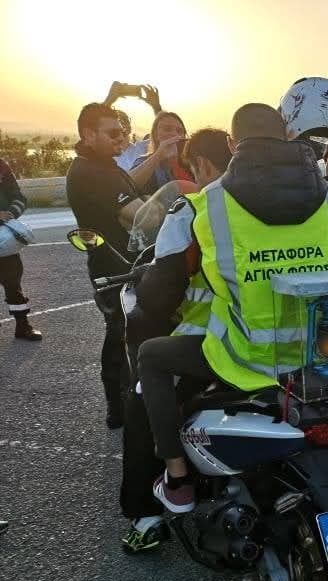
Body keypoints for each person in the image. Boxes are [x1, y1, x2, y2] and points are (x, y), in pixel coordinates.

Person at [136, 103, 328, 513]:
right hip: (321, 359)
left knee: (150, 356)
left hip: (243, 357)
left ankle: (178, 479)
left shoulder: (205, 205)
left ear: (233, 143)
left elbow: (158, 295)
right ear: (287, 136)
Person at [117, 128, 231, 552]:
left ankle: (148, 513)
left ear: (200, 164)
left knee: (141, 400)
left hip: (209, 343)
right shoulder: (278, 205)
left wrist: (146, 284)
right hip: (284, 343)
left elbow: (159, 295)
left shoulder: (195, 209)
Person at [66, 103, 145, 428]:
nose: (121, 138)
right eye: (112, 132)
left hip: (120, 261)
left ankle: (124, 403)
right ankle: (120, 406)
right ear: (89, 134)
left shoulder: (102, 167)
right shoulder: (92, 173)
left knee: (123, 330)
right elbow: (140, 215)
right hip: (115, 265)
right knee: (120, 332)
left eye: (122, 131)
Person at [0, 158, 42, 340]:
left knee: (13, 283)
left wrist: (11, 213)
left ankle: (23, 326)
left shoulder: (1, 165)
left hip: (4, 239)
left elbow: (19, 197)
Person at [129, 111, 193, 195]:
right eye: (167, 129)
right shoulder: (144, 162)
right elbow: (127, 186)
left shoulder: (190, 164)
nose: (174, 134)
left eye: (179, 131)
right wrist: (158, 155)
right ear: (155, 135)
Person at [102, 82, 162, 171]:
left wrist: (156, 107)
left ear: (130, 127)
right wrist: (109, 100)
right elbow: (90, 129)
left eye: (124, 120)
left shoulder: (144, 147)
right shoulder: (105, 156)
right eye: (117, 122)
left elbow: (164, 137)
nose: (121, 125)